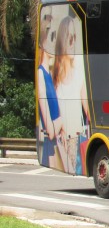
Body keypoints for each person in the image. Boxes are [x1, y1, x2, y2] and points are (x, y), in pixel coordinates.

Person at [53, 15, 90, 174]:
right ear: (62, 39)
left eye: (75, 37)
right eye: (69, 36)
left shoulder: (80, 69)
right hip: (61, 138)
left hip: (76, 135)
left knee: (76, 166)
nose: (72, 41)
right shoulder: (54, 74)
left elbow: (86, 106)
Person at [37, 10, 64, 169]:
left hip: (56, 150)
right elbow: (51, 130)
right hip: (51, 150)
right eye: (52, 38)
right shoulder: (41, 75)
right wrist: (64, 119)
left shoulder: (49, 76)